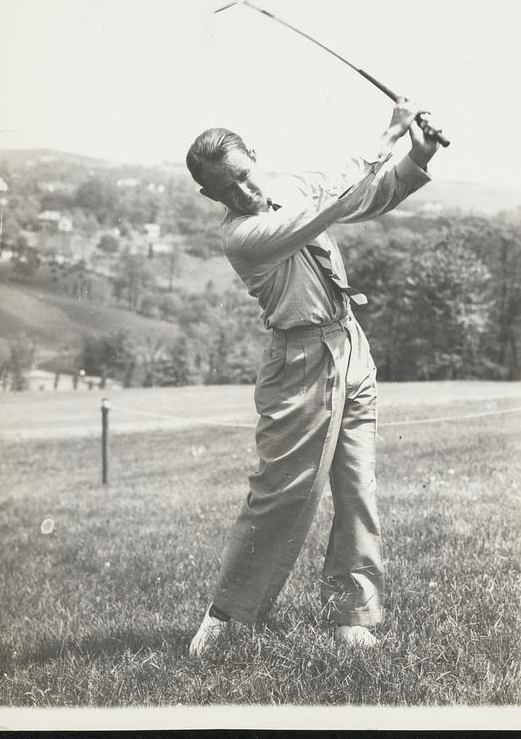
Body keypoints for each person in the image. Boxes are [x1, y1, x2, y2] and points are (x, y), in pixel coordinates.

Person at [185, 99, 439, 655]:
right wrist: (387, 133)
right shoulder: (244, 236)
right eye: (225, 190)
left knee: (357, 486)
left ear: (255, 157)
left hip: (351, 345)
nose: (242, 194)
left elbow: (369, 195)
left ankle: (353, 613)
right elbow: (330, 206)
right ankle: (228, 617)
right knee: (281, 494)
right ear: (211, 197)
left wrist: (415, 154)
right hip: (298, 362)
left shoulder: (294, 188)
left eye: (244, 176)